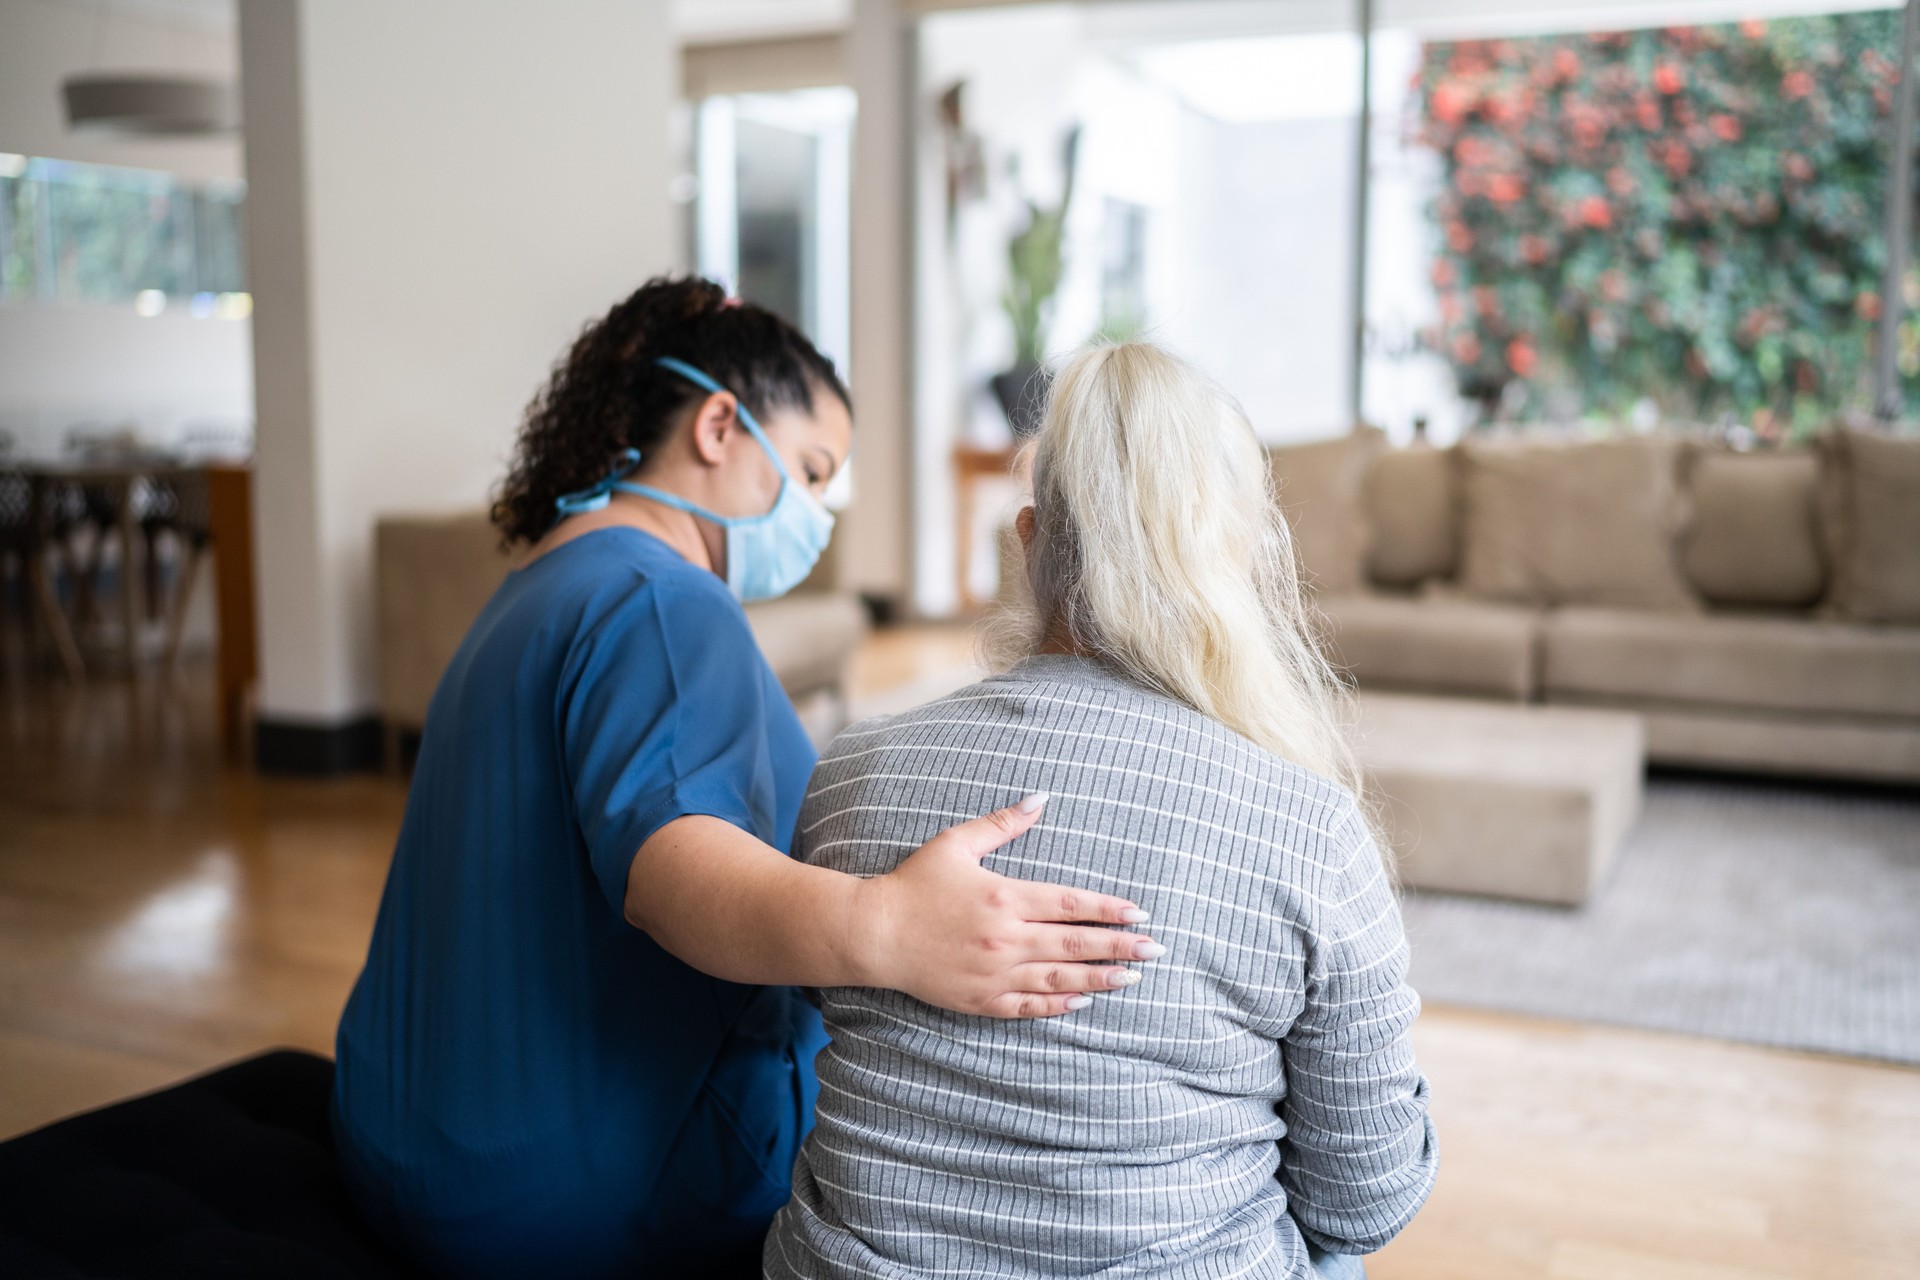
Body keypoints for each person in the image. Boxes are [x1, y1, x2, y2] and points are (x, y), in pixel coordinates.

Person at [330, 279, 1161, 1280]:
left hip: (395, 1144)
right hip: (556, 1202)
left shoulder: (538, 583)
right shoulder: (662, 599)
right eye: (810, 471)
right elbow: (669, 869)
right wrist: (893, 925)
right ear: (720, 424)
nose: (814, 513)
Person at [766, 343, 1438, 1280]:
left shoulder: (851, 772)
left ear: (1031, 540)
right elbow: (1363, 1199)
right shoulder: (1308, 829)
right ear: (1234, 553)